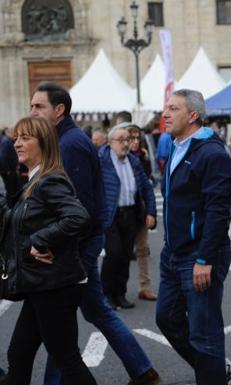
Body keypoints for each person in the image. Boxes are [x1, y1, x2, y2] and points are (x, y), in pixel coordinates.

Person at [30, 82, 160, 385]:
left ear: (59, 110)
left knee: (61, 320)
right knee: (93, 312)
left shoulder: (70, 144)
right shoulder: (65, 139)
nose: (33, 111)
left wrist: (61, 243)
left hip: (77, 247)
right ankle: (143, 370)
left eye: (39, 106)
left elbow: (78, 205)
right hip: (80, 244)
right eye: (32, 105)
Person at [0, 117, 96, 385]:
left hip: (54, 285)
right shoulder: (33, 181)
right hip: (40, 284)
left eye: (25, 138)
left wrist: (39, 241)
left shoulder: (49, 180)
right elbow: (19, 222)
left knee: (66, 359)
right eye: (16, 137)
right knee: (19, 353)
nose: (17, 143)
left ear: (44, 144)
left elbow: (78, 217)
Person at [156, 89, 231, 385]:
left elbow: (218, 212)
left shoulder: (211, 153)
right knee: (166, 318)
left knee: (204, 335)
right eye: (166, 108)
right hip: (173, 253)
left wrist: (204, 258)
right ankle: (218, 370)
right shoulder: (174, 144)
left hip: (200, 255)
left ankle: (213, 374)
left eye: (173, 108)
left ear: (192, 115)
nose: (165, 113)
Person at [99, 125, 156, 309]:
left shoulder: (133, 160)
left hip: (131, 214)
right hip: (111, 216)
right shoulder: (101, 160)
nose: (125, 144)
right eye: (121, 140)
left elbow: (146, 188)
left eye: (127, 140)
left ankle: (120, 294)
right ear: (110, 142)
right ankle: (107, 294)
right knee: (113, 254)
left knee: (124, 256)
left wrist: (151, 212)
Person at [127, 125, 158, 301]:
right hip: (123, 212)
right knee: (120, 252)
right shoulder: (116, 158)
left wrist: (151, 212)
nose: (135, 142)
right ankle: (117, 289)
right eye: (131, 138)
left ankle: (144, 286)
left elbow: (147, 186)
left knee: (143, 249)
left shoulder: (143, 157)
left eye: (137, 138)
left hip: (140, 209)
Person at [0, 131, 21, 203]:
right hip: (9, 172)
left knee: (14, 190)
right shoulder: (6, 142)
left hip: (10, 171)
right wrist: (7, 170)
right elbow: (2, 157)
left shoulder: (6, 141)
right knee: (11, 191)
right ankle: (11, 209)